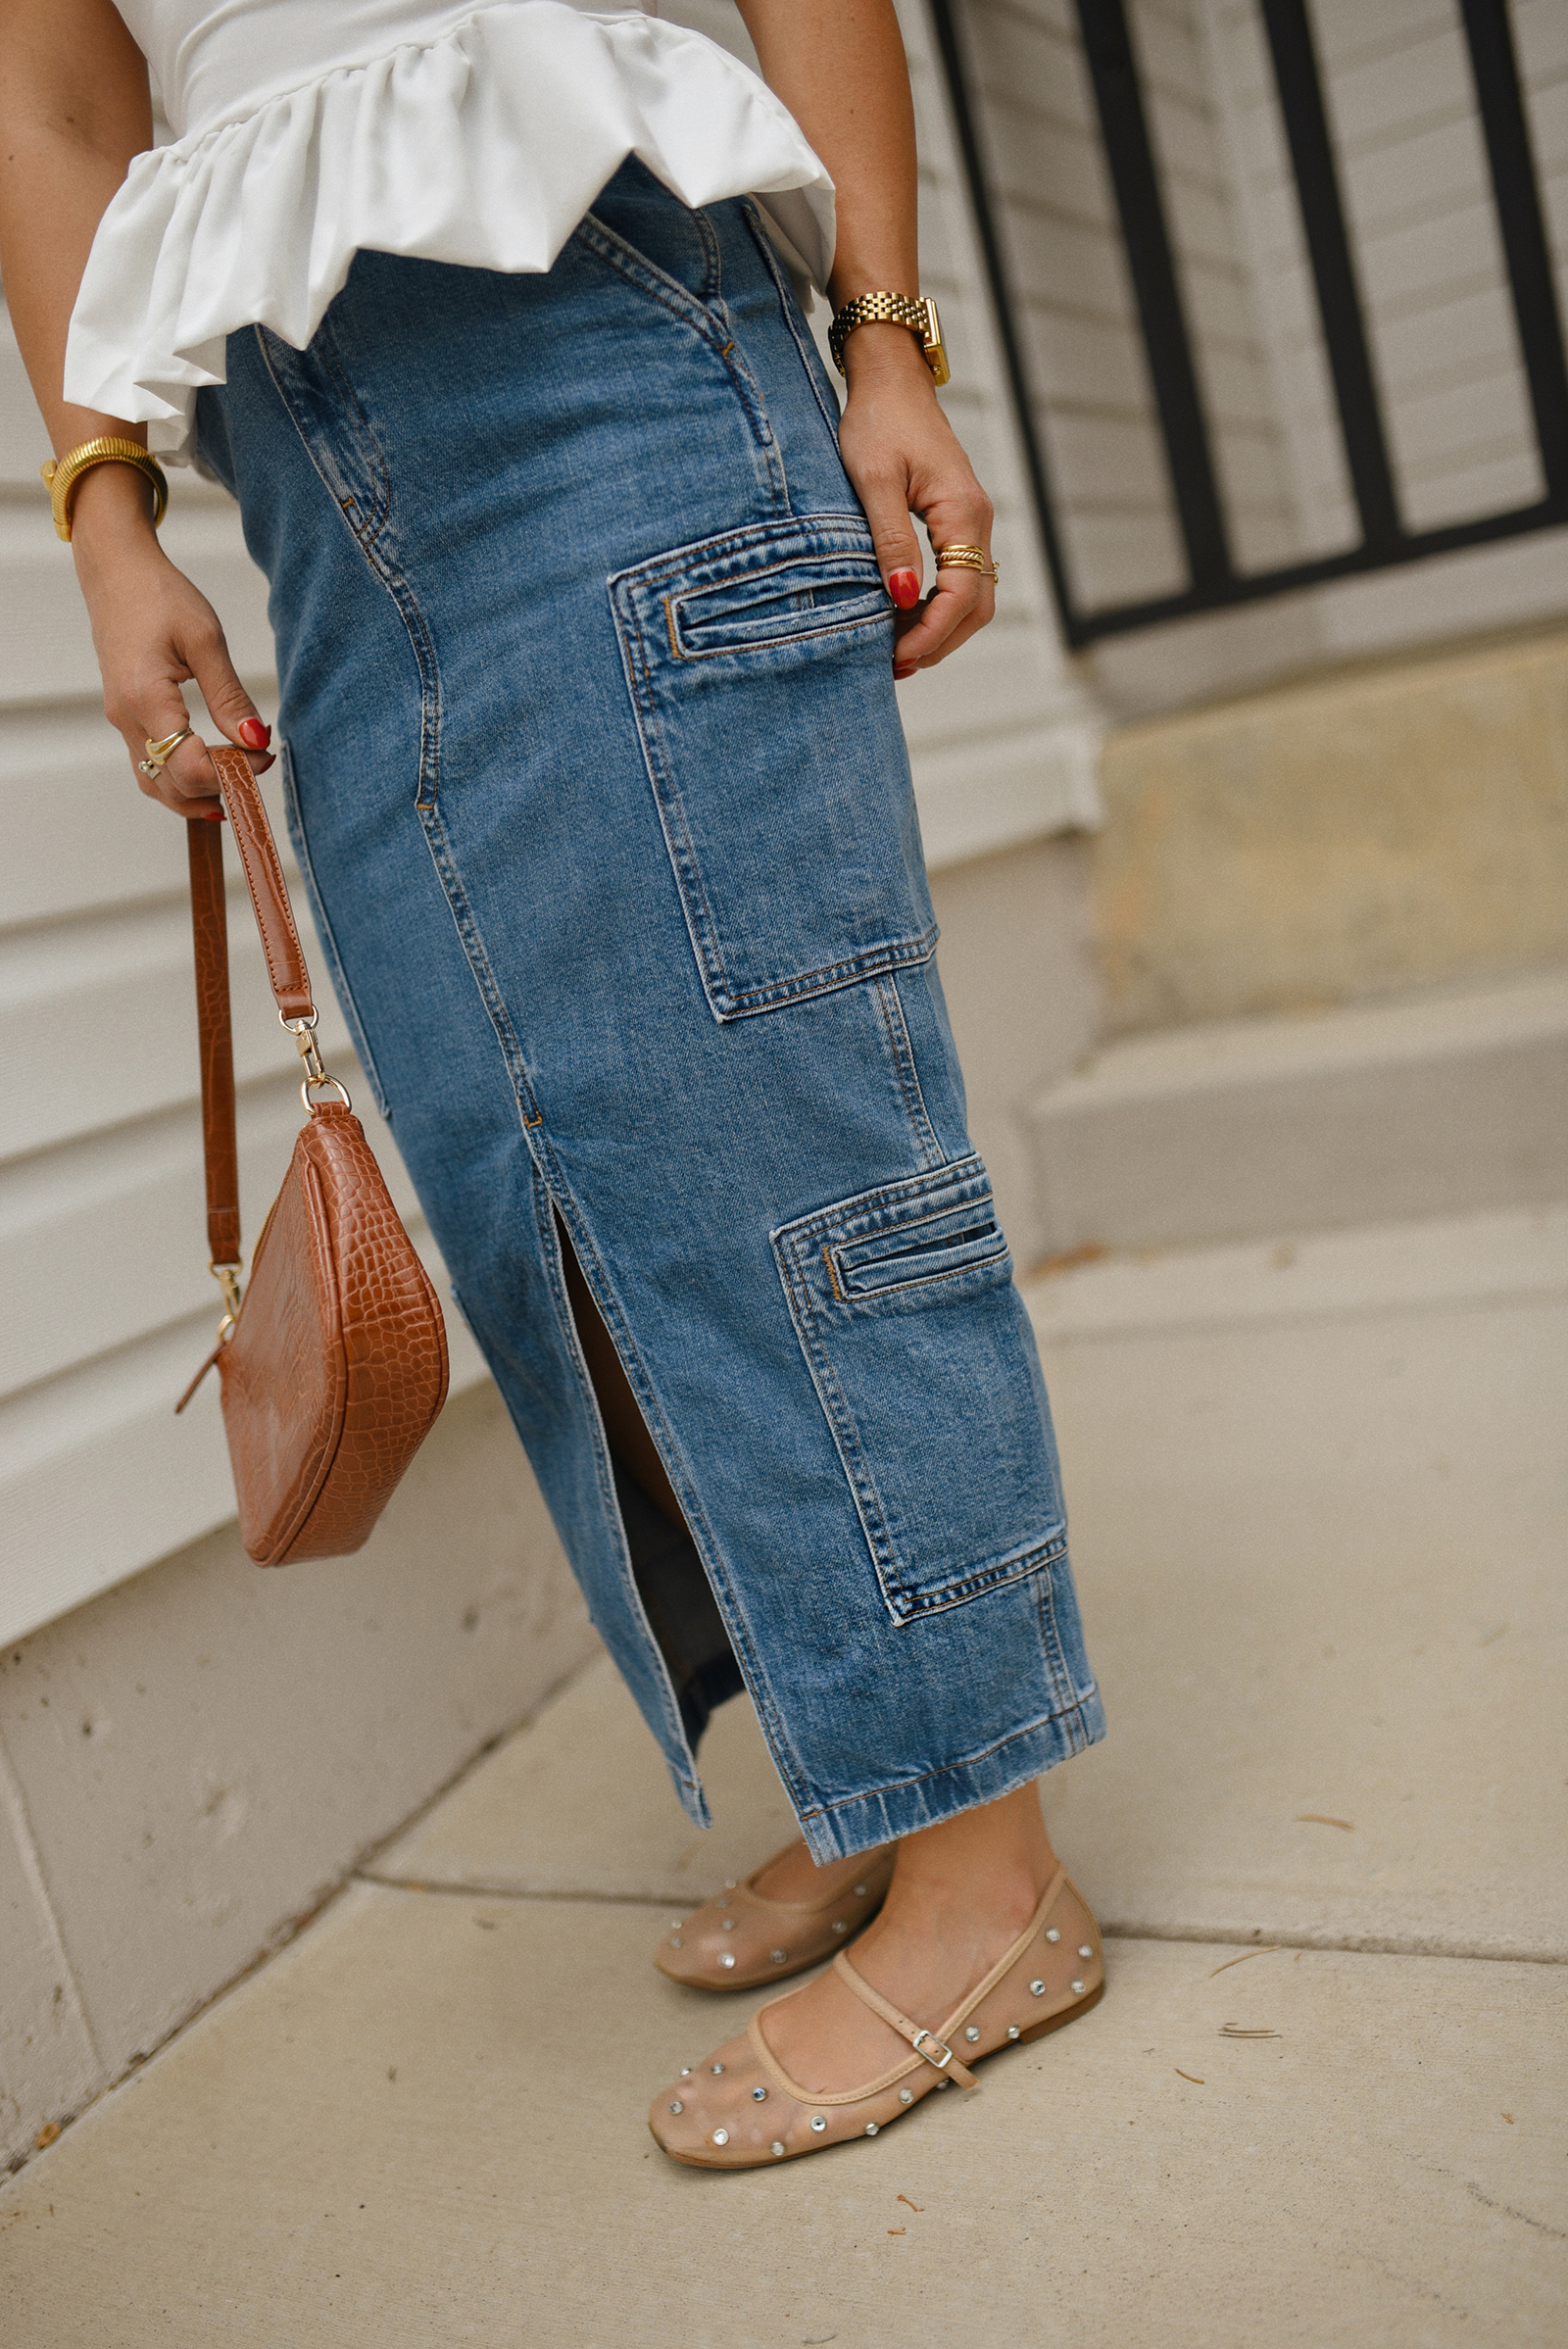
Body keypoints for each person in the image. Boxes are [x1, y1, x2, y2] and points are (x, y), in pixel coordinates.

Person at [0, 0, 1106, 2169]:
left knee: (769, 1121)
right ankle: (870, 1773)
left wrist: (884, 340)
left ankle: (991, 1871)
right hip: (309, 469)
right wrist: (104, 516)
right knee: (554, 1180)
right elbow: (49, 93)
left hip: (613, 342)